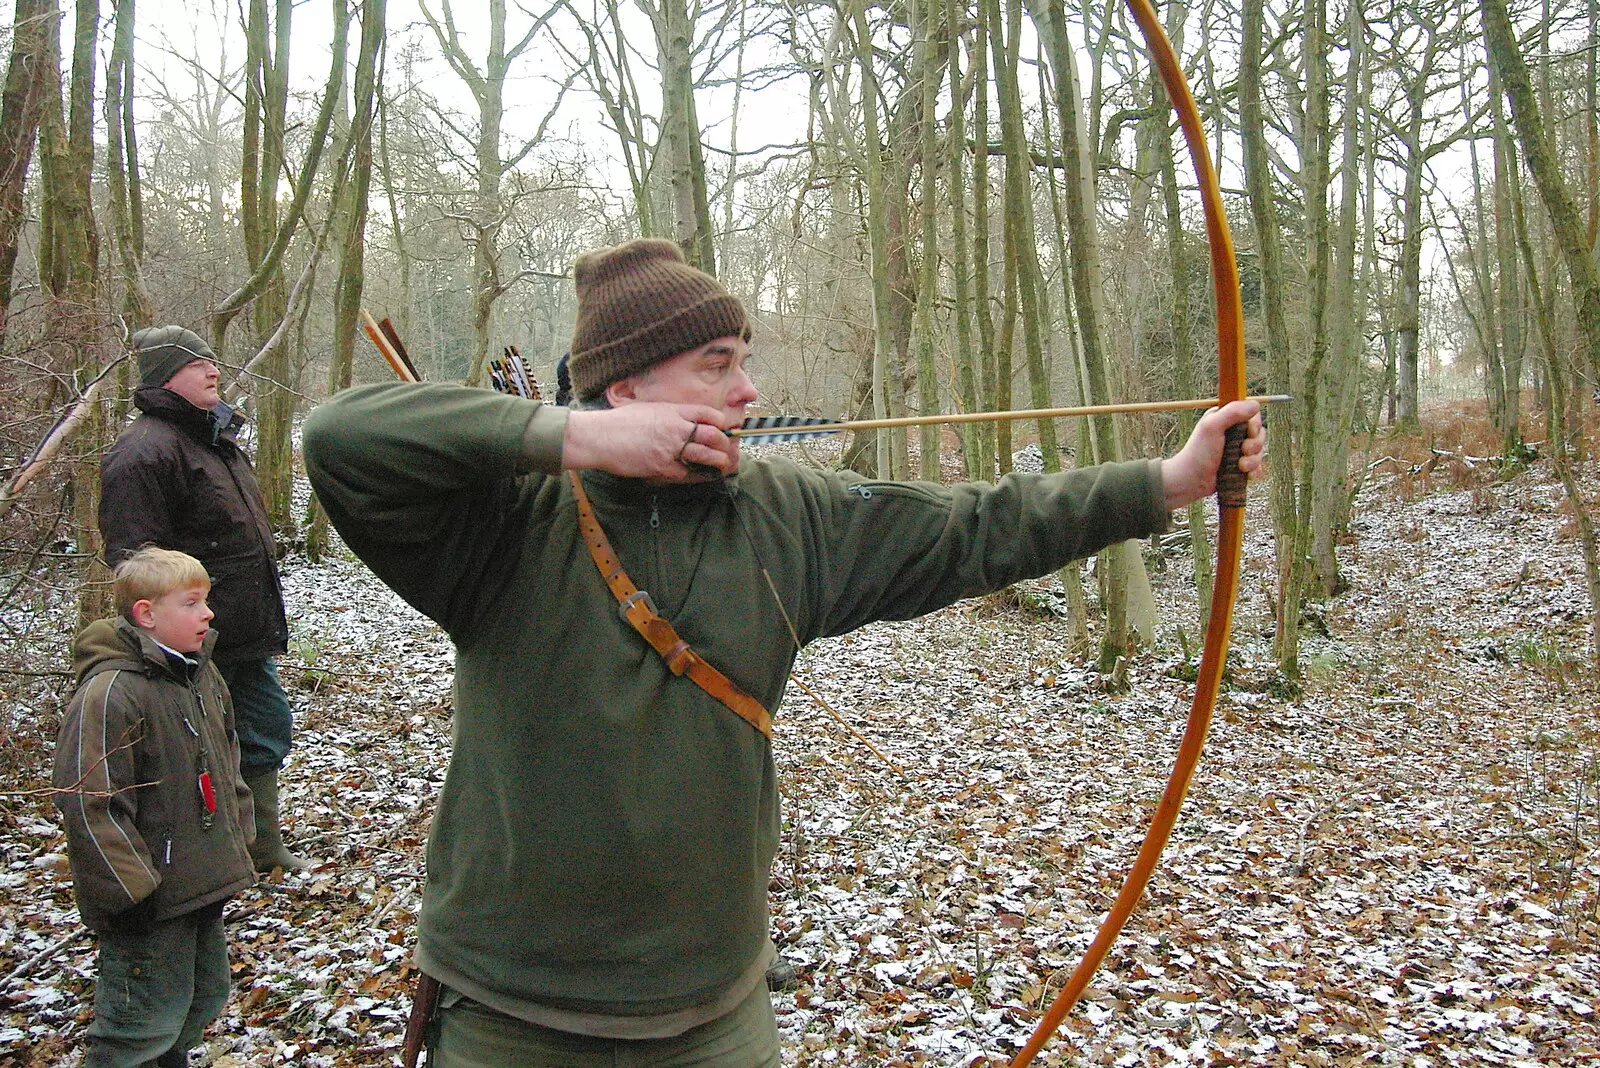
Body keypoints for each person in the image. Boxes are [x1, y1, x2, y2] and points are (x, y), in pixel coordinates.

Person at [302, 238, 1265, 1066]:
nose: (749, 386)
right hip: (512, 1005)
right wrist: (573, 439)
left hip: (712, 1008)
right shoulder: (505, 522)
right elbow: (342, 435)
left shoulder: (784, 514)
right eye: (716, 363)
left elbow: (975, 528)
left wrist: (1166, 483)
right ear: (627, 388)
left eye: (743, 359)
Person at [99, 326, 308, 873]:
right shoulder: (142, 452)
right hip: (189, 642)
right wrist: (169, 635)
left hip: (239, 631)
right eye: (198, 364)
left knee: (263, 728)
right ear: (167, 376)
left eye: (213, 361)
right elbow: (134, 564)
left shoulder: (214, 438)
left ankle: (261, 847)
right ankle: (211, 859)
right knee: (199, 753)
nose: (213, 369)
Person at [53, 546, 256, 1068]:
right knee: (138, 1029)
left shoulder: (200, 676)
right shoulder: (110, 693)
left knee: (199, 1001)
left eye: (205, 600)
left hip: (199, 885)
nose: (208, 613)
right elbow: (90, 802)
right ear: (146, 614)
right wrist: (133, 891)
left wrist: (240, 839)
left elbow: (227, 760)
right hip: (148, 904)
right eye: (191, 603)